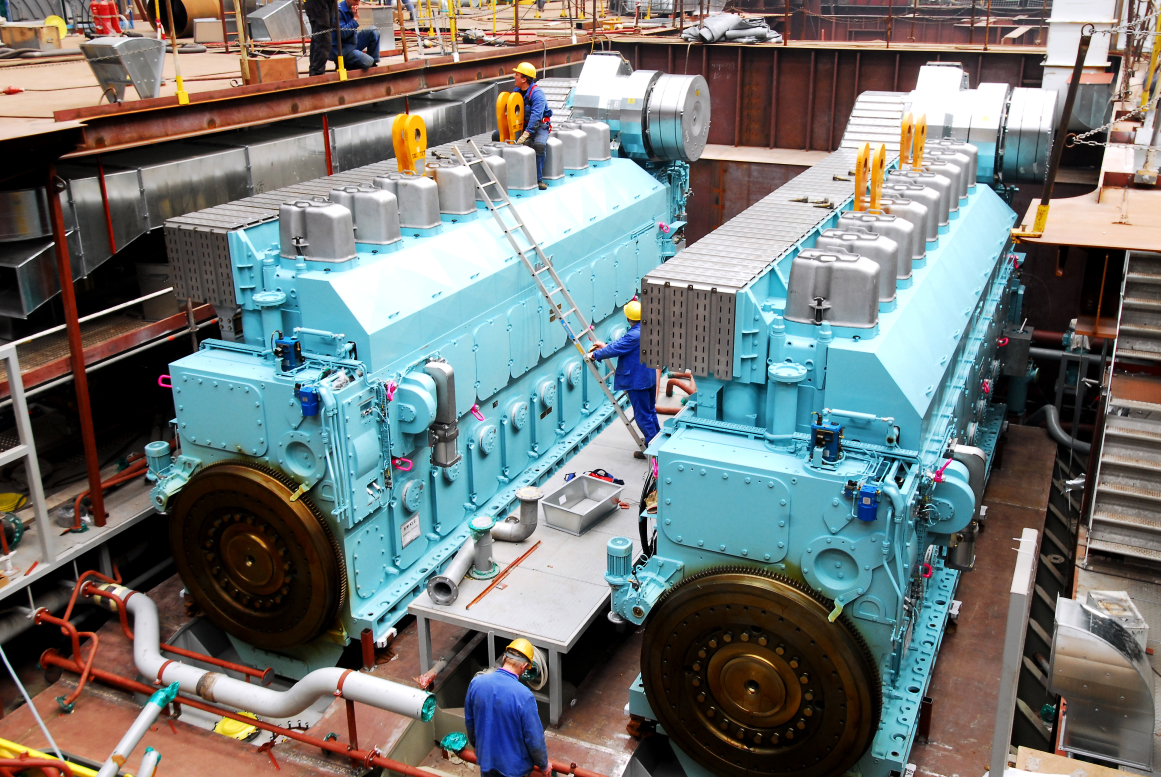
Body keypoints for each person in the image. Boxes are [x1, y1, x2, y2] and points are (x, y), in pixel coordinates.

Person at [464, 639, 550, 777]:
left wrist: (476, 746)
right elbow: (534, 738)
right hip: (514, 768)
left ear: (504, 658)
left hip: (486, 759)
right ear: (524, 667)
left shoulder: (477, 683)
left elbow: (470, 720)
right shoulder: (524, 696)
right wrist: (543, 765)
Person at [587, 300, 660, 455]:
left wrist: (595, 355)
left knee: (642, 416)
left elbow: (622, 345)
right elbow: (624, 344)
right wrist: (606, 346)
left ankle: (654, 452)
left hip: (638, 381)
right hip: (649, 376)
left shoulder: (634, 335)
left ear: (628, 318)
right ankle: (657, 443)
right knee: (650, 411)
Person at [510, 62, 550, 191]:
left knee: (539, 145)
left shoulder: (537, 94)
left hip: (539, 126)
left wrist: (526, 134)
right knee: (497, 136)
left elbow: (536, 116)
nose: (514, 76)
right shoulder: (517, 92)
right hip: (523, 124)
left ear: (524, 79)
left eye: (517, 74)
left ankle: (538, 179)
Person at [332, 0, 380, 70]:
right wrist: (355, 19)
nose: (357, 3)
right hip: (342, 48)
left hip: (352, 42)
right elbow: (342, 34)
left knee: (374, 31)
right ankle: (345, 64)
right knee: (367, 61)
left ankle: (373, 64)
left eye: (359, 0)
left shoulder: (350, 8)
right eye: (355, 0)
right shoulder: (338, 11)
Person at [304, 0, 336, 76]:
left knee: (320, 36)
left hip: (325, 3)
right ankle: (317, 73)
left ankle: (315, 71)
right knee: (323, 37)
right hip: (318, 4)